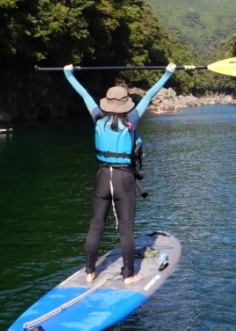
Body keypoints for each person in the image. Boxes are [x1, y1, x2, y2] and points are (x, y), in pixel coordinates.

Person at [63, 62, 177, 284]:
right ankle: (129, 275)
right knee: (126, 227)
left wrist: (69, 74)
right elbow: (150, 95)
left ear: (107, 103)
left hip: (102, 177)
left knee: (96, 223)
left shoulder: (97, 117)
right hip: (124, 178)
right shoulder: (132, 120)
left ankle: (89, 271)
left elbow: (84, 94)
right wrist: (167, 74)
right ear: (125, 104)